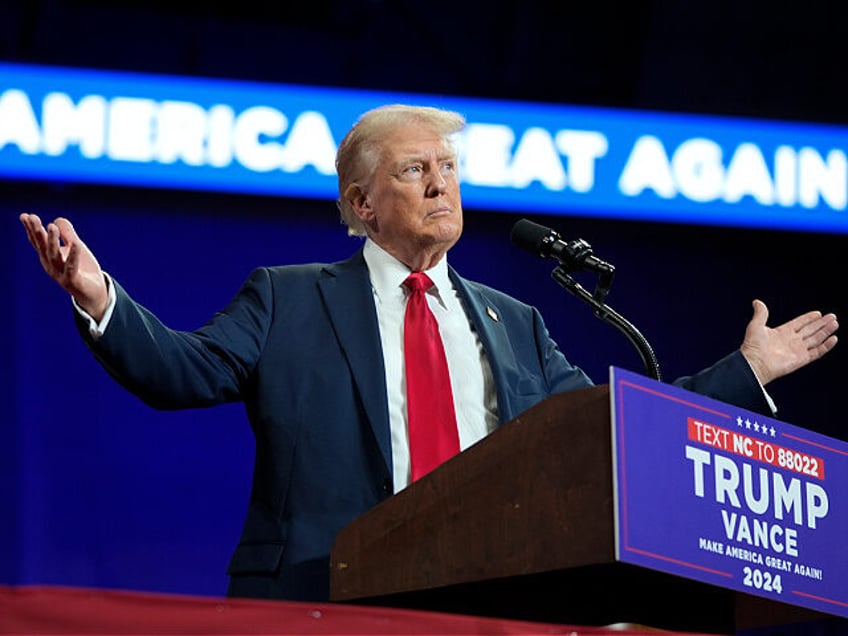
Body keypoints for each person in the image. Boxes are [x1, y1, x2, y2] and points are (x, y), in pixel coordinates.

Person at [19, 105, 839, 602]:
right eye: (416, 170)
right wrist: (98, 296)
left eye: (448, 167)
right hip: (323, 597)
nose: (443, 184)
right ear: (362, 204)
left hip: (486, 595)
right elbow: (180, 370)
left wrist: (748, 373)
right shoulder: (289, 296)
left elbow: (611, 433)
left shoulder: (513, 322)